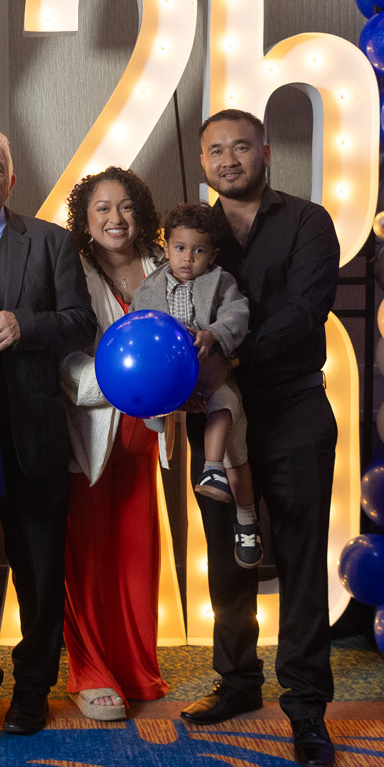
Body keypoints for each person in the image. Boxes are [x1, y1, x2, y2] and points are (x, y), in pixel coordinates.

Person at [181, 109, 341, 767]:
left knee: (301, 557)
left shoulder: (308, 221)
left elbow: (306, 312)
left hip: (293, 407)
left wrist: (231, 358)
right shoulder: (195, 233)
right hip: (216, 413)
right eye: (216, 150)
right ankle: (238, 681)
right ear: (203, 163)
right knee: (227, 555)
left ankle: (306, 706)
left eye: (240, 146)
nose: (228, 159)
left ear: (265, 152)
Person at [0, 123, 96, 737]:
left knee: (38, 567)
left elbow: (81, 322)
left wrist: (26, 325)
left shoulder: (52, 242)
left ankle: (34, 686)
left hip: (30, 434)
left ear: (13, 179)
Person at [58, 167, 171, 721]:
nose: (115, 218)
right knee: (88, 555)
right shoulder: (70, 269)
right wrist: (118, 382)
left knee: (136, 552)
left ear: (141, 214)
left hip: (148, 432)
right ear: (85, 219)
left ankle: (135, 666)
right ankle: (90, 672)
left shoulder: (168, 266)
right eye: (101, 208)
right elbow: (62, 355)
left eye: (125, 206)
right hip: (93, 430)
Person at [131, 203, 258, 564]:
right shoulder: (148, 288)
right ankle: (166, 417)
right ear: (166, 247)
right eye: (180, 248)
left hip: (210, 371)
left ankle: (222, 482)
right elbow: (140, 329)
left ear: (212, 254)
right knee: (158, 410)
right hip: (167, 379)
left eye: (198, 251)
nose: (187, 258)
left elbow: (237, 314)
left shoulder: (221, 281)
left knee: (227, 413)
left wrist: (213, 334)